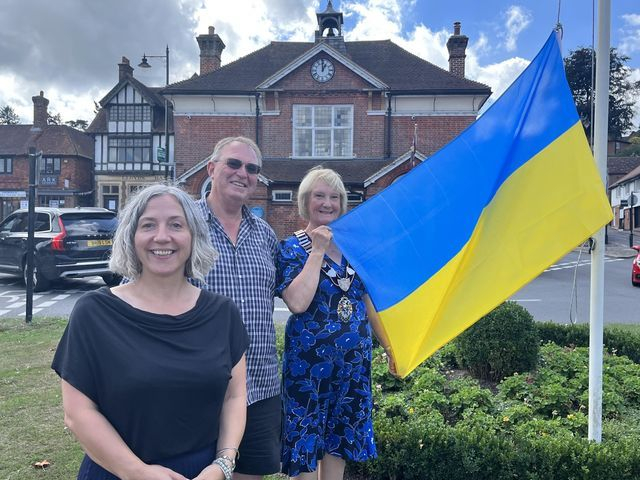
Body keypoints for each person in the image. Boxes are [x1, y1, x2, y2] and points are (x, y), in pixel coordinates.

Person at [52, 184, 249, 480]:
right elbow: (78, 413)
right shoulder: (94, 312)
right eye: (148, 225)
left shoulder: (223, 314)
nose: (162, 236)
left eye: (176, 225)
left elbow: (234, 398)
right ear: (131, 237)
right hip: (116, 470)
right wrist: (136, 472)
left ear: (193, 236)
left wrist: (223, 464)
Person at [276, 167, 396, 480]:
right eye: (319, 196)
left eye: (334, 197)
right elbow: (298, 302)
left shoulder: (353, 249)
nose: (327, 203)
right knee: (306, 436)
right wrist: (316, 250)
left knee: (339, 440)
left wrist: (389, 345)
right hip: (308, 368)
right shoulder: (290, 248)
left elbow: (366, 302)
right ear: (306, 201)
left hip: (352, 367)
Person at [194, 136, 281, 479]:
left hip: (260, 385)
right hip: (198, 386)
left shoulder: (265, 234)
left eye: (252, 168)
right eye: (233, 163)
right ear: (211, 168)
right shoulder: (183, 226)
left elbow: (294, 293)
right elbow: (139, 292)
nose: (242, 173)